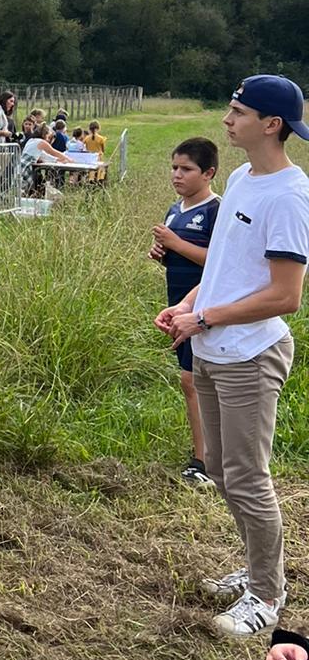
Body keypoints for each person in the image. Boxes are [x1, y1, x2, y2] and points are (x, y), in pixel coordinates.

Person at [155, 75, 309, 640]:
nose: (226, 119)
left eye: (238, 111)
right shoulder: (243, 178)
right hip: (212, 345)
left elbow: (285, 295)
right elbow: (221, 262)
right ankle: (254, 568)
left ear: (271, 125)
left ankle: (266, 595)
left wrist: (208, 318)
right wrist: (188, 303)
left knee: (247, 477)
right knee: (220, 469)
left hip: (250, 354)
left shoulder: (291, 196)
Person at [148, 138, 221, 487]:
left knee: (193, 380)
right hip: (180, 304)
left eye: (186, 169)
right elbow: (180, 255)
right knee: (191, 379)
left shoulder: (215, 211)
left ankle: (203, 460)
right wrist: (164, 254)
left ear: (208, 173)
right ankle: (207, 453)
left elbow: (220, 263)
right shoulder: (175, 209)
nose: (177, 175)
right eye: (174, 167)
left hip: (207, 307)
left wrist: (177, 245)